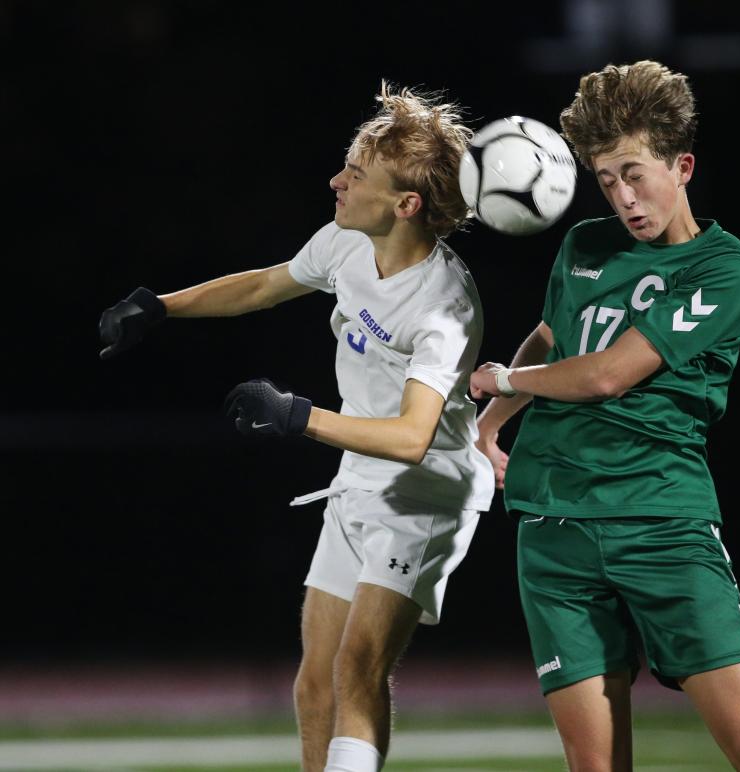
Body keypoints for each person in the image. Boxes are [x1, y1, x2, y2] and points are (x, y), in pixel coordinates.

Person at [99, 82, 494, 772]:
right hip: (358, 478)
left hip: (424, 496)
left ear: (407, 205)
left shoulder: (443, 307)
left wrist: (298, 416)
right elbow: (263, 285)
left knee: (359, 663)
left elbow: (412, 437)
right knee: (315, 679)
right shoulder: (347, 243)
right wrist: (161, 308)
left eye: (357, 174)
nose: (336, 180)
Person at [470, 60, 740, 771]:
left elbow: (605, 375)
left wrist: (500, 378)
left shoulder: (724, 270)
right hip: (554, 527)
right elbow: (555, 335)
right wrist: (492, 420)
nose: (623, 196)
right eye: (606, 180)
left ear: (681, 165)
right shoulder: (584, 246)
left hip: (658, 521)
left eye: (635, 173)